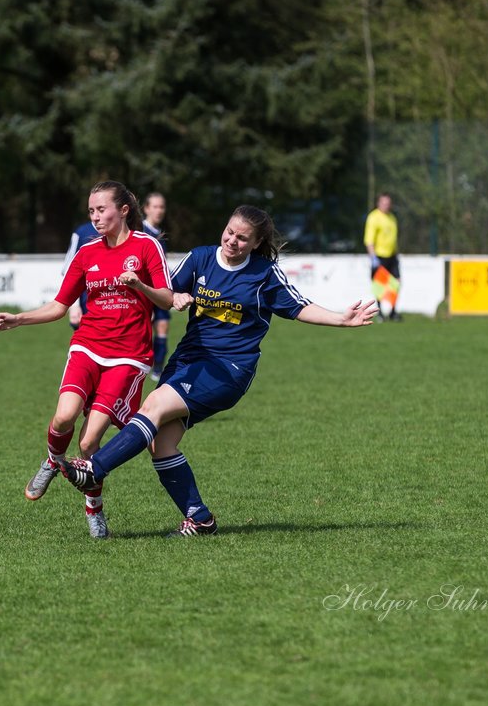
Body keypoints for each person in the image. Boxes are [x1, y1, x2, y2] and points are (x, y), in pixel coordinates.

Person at [56, 205, 378, 537]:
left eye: (242, 238)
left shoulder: (263, 273)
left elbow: (297, 307)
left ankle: (95, 468)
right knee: (162, 444)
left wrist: (341, 318)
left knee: (152, 408)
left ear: (255, 243)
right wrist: (174, 296)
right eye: (229, 232)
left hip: (228, 368)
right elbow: (164, 294)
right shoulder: (201, 258)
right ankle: (200, 519)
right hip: (187, 361)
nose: (232, 241)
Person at [0, 181, 172, 539]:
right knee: (63, 416)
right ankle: (53, 460)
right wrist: (19, 319)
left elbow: (167, 299)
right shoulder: (87, 253)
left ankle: (94, 508)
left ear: (123, 210)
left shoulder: (146, 246)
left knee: (90, 444)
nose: (95, 217)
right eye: (90, 211)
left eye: (101, 209)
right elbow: (59, 307)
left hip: (128, 356)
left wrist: (139, 286)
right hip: (87, 346)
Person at [142, 192, 172, 380]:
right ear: (146, 208)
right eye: (155, 206)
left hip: (160, 290)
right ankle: (142, 365)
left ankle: (159, 368)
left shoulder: (160, 235)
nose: (159, 210)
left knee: (162, 327)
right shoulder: (140, 231)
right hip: (145, 291)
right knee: (142, 330)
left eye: (162, 206)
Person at [364, 192, 401, 321]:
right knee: (379, 285)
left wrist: (397, 253)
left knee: (396, 283)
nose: (386, 205)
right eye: (384, 203)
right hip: (379, 256)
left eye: (388, 203)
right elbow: (369, 240)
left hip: (392, 255)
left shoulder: (392, 218)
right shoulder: (373, 217)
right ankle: (380, 313)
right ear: (378, 203)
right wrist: (373, 257)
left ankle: (393, 311)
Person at [63, 218, 99, 330]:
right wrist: (74, 305)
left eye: (102, 209)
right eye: (93, 210)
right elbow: (69, 270)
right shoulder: (82, 233)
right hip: (87, 303)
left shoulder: (128, 234)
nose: (97, 215)